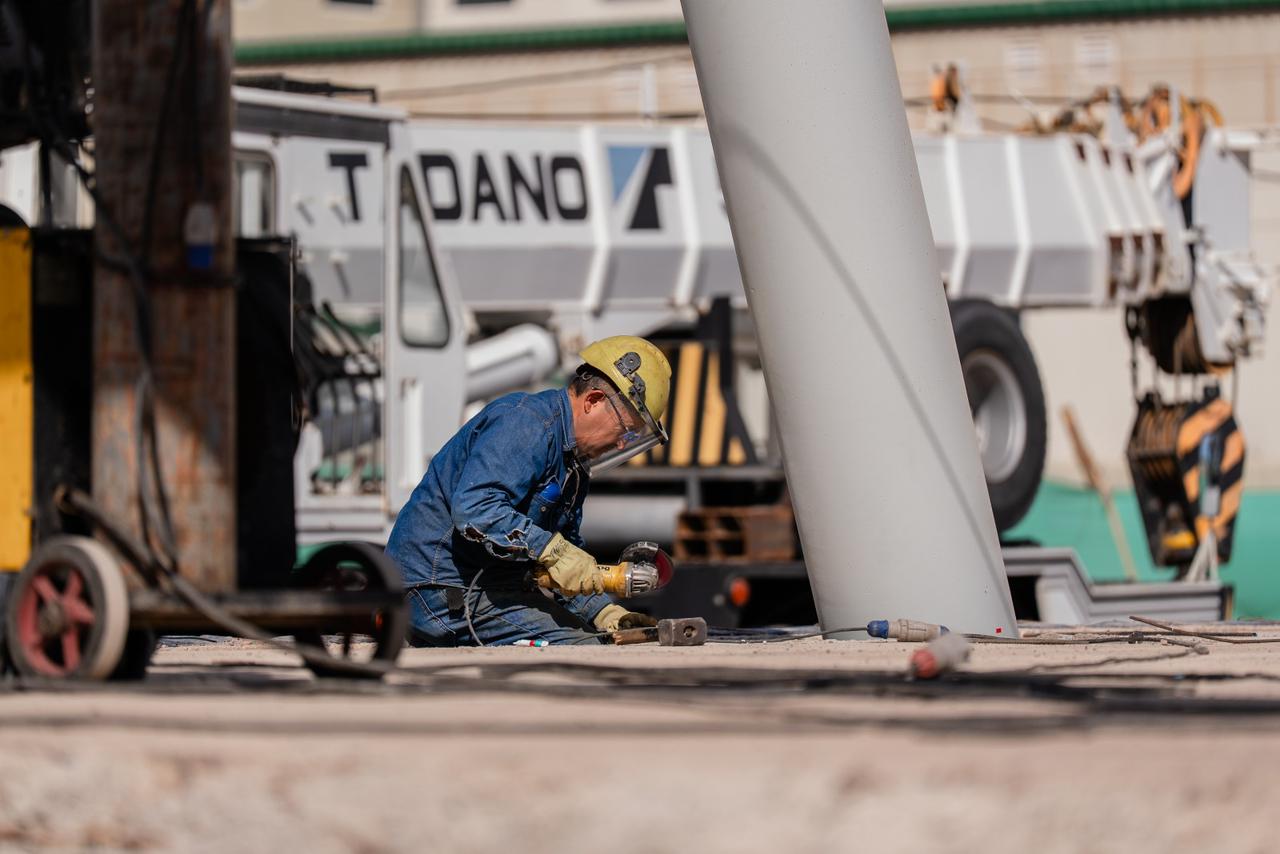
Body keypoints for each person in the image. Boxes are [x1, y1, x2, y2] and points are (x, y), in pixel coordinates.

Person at [386, 335, 672, 646]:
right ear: (593, 401)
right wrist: (550, 549)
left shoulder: (572, 467)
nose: (620, 444)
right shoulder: (526, 423)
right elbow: (475, 509)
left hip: (486, 591)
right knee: (587, 650)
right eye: (625, 431)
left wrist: (603, 613)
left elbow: (567, 565)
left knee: (603, 638)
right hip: (436, 592)